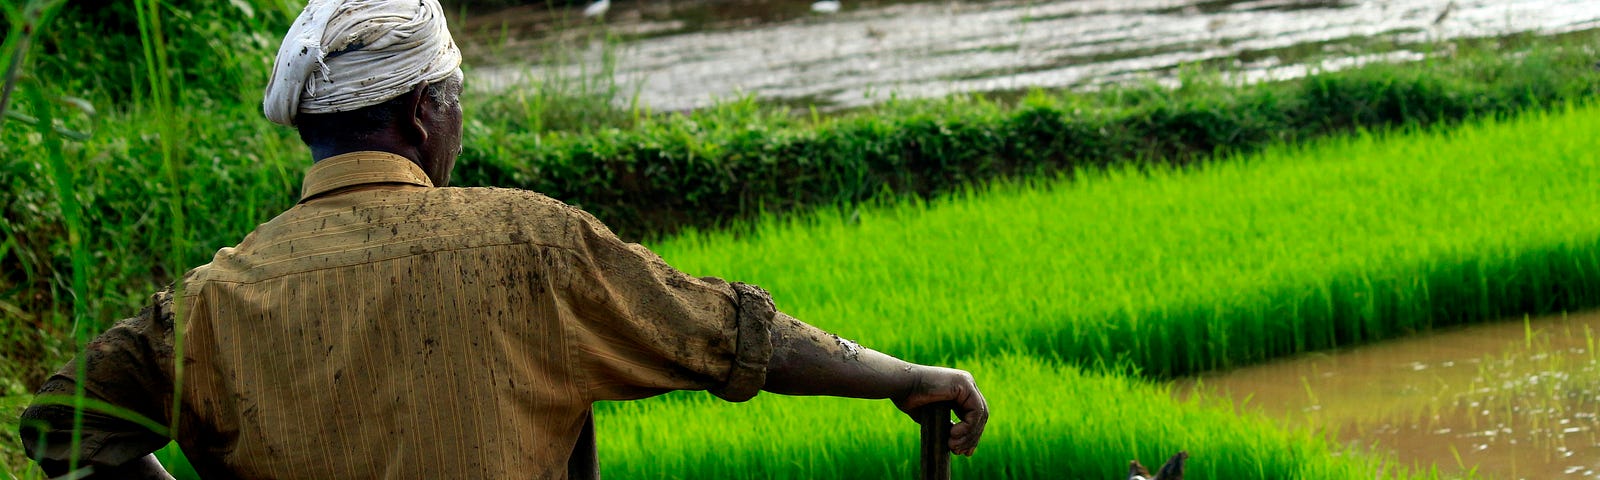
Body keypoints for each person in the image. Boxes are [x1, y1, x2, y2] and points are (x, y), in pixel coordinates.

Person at [16, 0, 988, 478]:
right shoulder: (526, 245)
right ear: (425, 113)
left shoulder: (215, 300)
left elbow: (59, 418)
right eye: (457, 101)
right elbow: (729, 332)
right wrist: (908, 377)